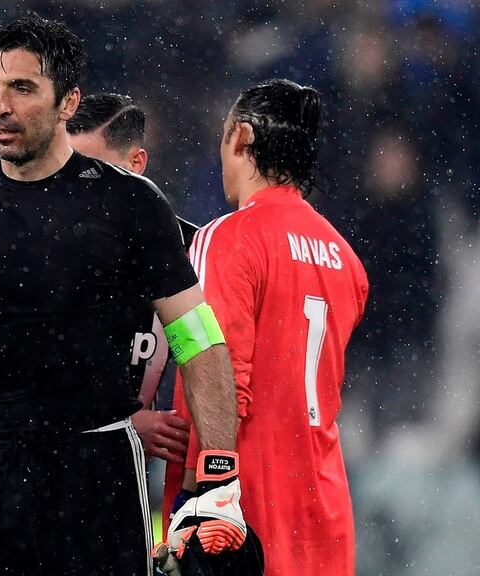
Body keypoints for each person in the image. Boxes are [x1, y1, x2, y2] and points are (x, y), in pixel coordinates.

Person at [0, 15, 244, 575]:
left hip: (98, 474)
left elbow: (197, 337)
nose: (0, 106)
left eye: (22, 88)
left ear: (68, 102)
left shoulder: (130, 202)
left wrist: (220, 478)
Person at [165, 79, 369, 575]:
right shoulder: (346, 259)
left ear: (240, 136)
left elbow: (215, 370)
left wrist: (197, 496)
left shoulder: (225, 238)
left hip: (243, 514)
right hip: (324, 512)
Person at [67, 92, 192, 466]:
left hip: (154, 467)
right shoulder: (41, 249)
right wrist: (121, 424)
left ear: (136, 163)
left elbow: (209, 355)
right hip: (49, 465)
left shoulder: (194, 251)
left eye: (94, 171)